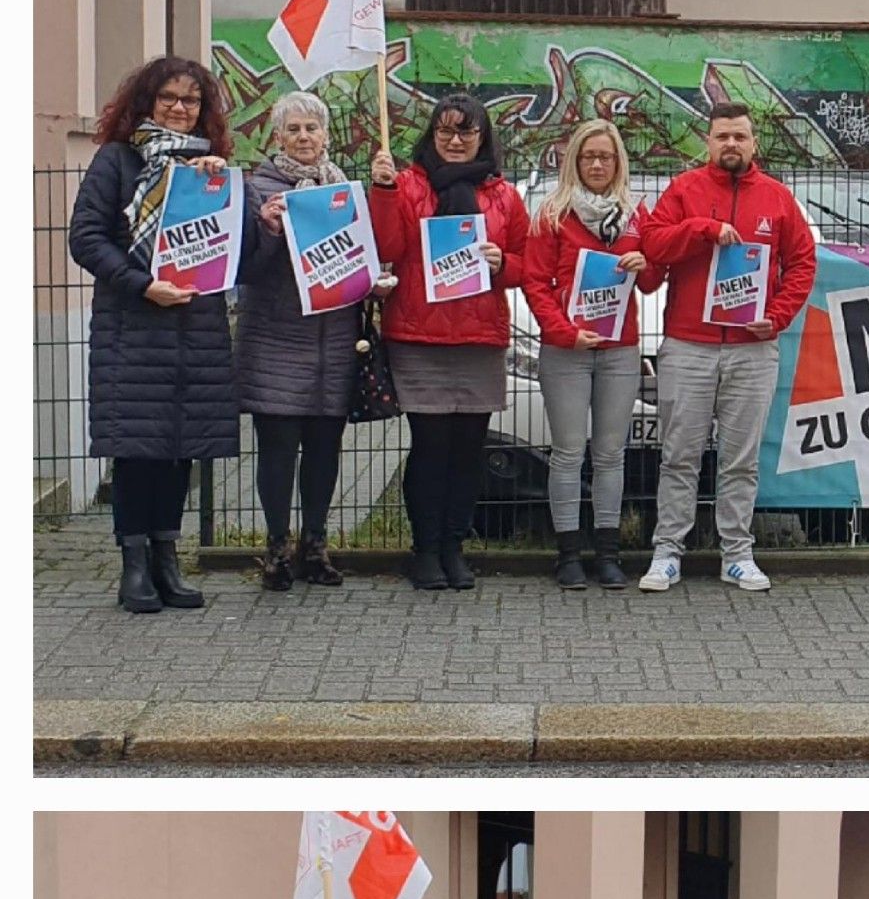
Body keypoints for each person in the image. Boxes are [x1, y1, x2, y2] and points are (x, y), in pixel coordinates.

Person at [67, 56, 239, 615]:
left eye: (190, 100)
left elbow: (234, 248)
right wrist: (142, 285)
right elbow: (87, 239)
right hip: (133, 325)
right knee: (136, 451)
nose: (179, 108)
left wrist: (231, 199)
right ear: (145, 102)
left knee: (180, 450)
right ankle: (134, 566)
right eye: (168, 97)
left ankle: (168, 558)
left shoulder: (212, 168)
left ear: (204, 111)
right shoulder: (116, 160)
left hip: (197, 327)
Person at [637, 104, 817, 594]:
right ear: (709, 142)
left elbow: (802, 263)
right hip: (688, 346)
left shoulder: (778, 199)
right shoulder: (684, 190)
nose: (731, 145)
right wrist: (702, 230)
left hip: (752, 350)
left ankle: (736, 552)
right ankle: (667, 552)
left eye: (740, 136)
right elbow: (653, 246)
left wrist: (776, 317)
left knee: (741, 459)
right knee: (679, 455)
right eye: (722, 137)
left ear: (753, 143)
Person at [368, 93, 529, 590]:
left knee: (467, 451)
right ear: (431, 135)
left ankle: (455, 547)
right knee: (430, 448)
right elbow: (387, 247)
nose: (455, 140)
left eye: (466, 131)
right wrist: (383, 191)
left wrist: (504, 264)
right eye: (445, 131)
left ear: (483, 138)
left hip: (479, 336)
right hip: (420, 337)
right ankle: (426, 550)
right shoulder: (409, 184)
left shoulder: (503, 196)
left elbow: (529, 264)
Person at [236, 90, 388, 591]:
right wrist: (269, 230)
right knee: (278, 450)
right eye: (294, 129)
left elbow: (364, 254)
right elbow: (245, 270)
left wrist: (375, 277)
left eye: (312, 128)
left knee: (325, 448)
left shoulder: (345, 191)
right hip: (276, 339)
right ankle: (277, 550)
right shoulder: (258, 190)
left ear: (326, 135)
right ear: (277, 136)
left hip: (335, 340)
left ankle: (316, 546)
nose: (304, 137)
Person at [522, 120, 660, 589]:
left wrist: (647, 263)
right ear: (574, 162)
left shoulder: (635, 216)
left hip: (620, 350)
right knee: (566, 452)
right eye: (588, 157)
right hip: (568, 351)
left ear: (618, 161)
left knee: (610, 453)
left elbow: (651, 282)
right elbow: (535, 284)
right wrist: (562, 332)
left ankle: (607, 552)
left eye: (606, 156)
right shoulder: (552, 216)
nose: (598, 164)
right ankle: (568, 555)